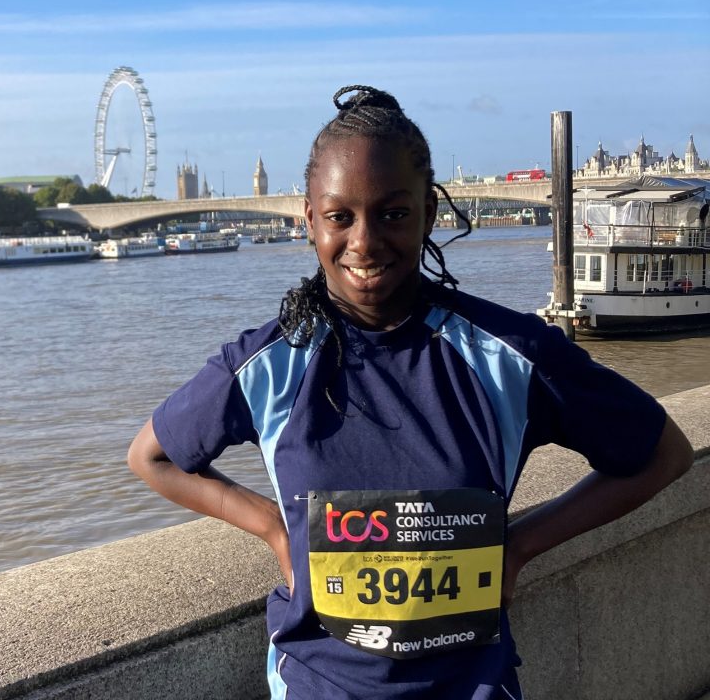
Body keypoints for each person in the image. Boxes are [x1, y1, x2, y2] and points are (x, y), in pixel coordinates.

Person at [127, 85, 694, 700]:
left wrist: (522, 546)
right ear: (310, 221)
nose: (365, 242)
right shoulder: (271, 363)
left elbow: (663, 453)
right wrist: (271, 526)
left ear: (429, 214)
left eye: (393, 214)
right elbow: (152, 457)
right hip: (320, 687)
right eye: (340, 217)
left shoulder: (508, 355)